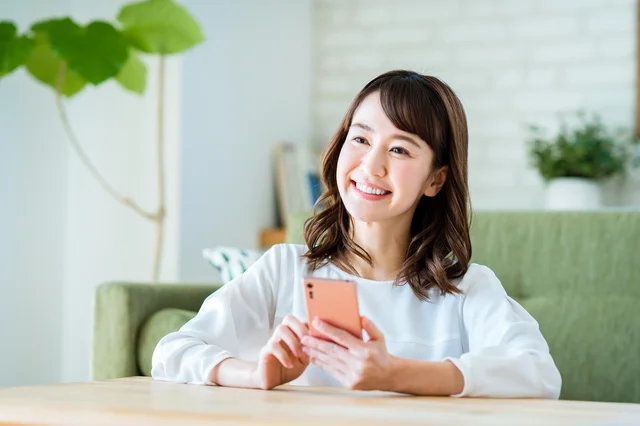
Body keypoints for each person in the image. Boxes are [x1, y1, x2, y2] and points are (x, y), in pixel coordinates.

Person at [151, 70, 562, 398]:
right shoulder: (284, 270)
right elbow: (171, 353)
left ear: (435, 179)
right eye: (361, 138)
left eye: (399, 149)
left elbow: (540, 375)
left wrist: (398, 374)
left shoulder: (466, 290)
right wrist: (254, 373)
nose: (371, 165)